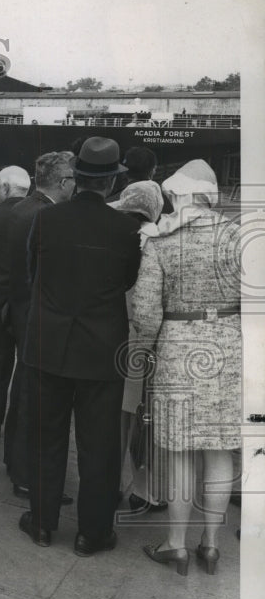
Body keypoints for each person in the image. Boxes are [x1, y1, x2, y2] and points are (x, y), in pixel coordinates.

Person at [18, 137, 141, 555]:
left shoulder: (46, 220)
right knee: (99, 446)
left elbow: (32, 271)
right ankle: (92, 533)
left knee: (45, 437)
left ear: (78, 179)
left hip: (46, 344)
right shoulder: (127, 229)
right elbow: (127, 281)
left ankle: (41, 523)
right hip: (101, 350)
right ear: (110, 183)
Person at [134, 160, 241, 576]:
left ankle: (175, 546)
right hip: (230, 349)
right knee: (219, 452)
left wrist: (144, 350)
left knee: (179, 454)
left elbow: (145, 314)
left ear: (180, 195)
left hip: (178, 351)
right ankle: (211, 546)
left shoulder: (161, 243)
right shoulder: (239, 238)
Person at [4, 151, 76, 501]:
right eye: (74, 180)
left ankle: (14, 462)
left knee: (23, 388)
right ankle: (28, 476)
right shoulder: (52, 216)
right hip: (40, 314)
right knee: (36, 396)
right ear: (64, 183)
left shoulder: (18, 209)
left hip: (17, 309)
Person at [108, 181, 167, 514]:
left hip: (120, 334)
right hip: (152, 339)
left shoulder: (120, 238)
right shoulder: (163, 240)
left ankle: (112, 483)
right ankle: (147, 492)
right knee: (148, 418)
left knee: (119, 415)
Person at [0, 165, 30, 437]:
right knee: (24, 362)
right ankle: (19, 419)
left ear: (6, 188)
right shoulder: (40, 215)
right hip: (26, 304)